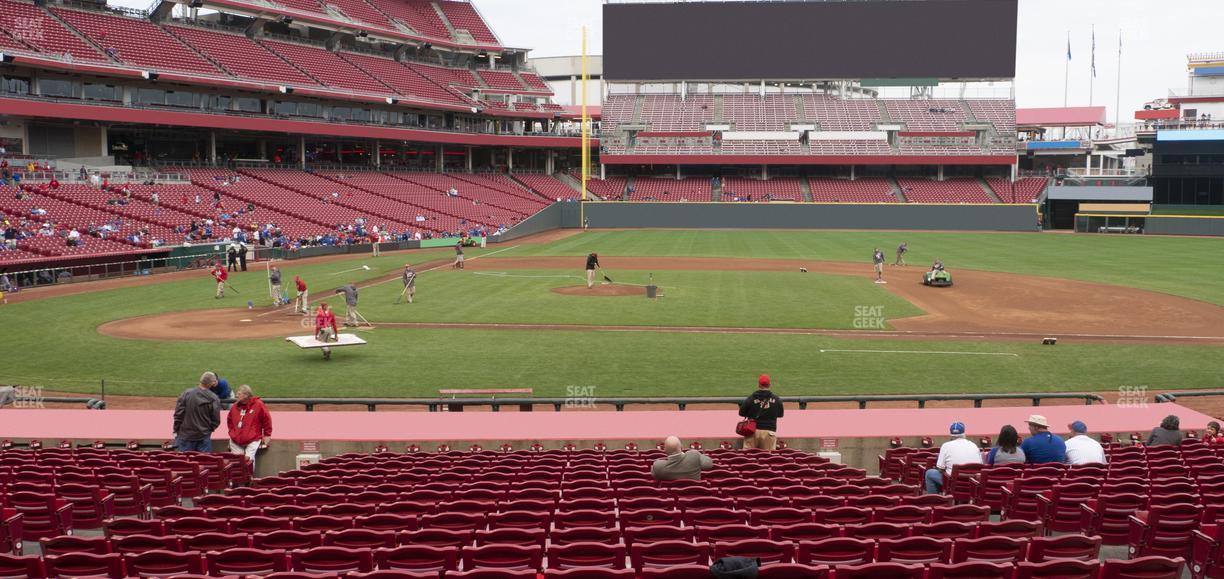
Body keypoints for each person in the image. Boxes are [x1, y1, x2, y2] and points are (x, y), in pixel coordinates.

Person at [925, 422, 981, 494]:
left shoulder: (946, 446)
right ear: (964, 433)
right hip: (972, 483)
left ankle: (934, 501)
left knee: (929, 473)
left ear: (951, 434)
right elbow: (980, 467)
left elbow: (940, 468)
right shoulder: (974, 446)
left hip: (954, 483)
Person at [227, 384, 272, 474]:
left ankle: (249, 480)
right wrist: (232, 433)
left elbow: (267, 420)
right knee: (237, 462)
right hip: (236, 440)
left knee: (249, 460)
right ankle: (238, 482)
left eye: (239, 394)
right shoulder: (235, 406)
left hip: (253, 439)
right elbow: (230, 421)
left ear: (246, 395)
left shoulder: (258, 405)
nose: (236, 395)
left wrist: (267, 435)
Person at [173, 372, 222, 452]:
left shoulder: (186, 393)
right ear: (210, 383)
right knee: (203, 463)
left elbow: (178, 415)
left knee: (184, 463)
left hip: (185, 437)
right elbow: (216, 420)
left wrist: (176, 430)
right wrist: (208, 430)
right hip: (203, 437)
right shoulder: (214, 398)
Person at [739, 374, 784, 451]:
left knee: (748, 457)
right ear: (769, 384)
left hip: (752, 431)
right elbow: (780, 415)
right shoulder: (777, 399)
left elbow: (741, 413)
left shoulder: (751, 398)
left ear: (759, 384)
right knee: (768, 458)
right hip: (769, 432)